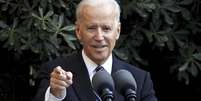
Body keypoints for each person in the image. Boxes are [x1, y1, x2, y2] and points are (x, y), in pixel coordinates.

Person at [32, 0, 158, 101]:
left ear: (118, 31)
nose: (99, 37)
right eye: (91, 28)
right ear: (78, 31)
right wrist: (55, 95)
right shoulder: (57, 76)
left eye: (106, 28)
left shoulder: (139, 79)